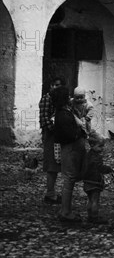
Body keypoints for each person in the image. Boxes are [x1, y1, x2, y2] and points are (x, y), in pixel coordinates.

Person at [53, 85, 87, 222]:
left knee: (69, 179)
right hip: (71, 148)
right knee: (70, 179)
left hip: (70, 148)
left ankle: (65, 210)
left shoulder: (63, 112)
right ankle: (65, 211)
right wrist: (81, 132)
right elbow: (70, 134)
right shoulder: (64, 115)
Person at [39, 75, 66, 204]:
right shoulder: (47, 99)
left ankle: (53, 192)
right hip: (51, 135)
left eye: (59, 85)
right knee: (51, 164)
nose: (57, 88)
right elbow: (44, 119)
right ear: (50, 86)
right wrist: (55, 129)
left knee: (57, 164)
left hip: (58, 136)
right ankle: (50, 193)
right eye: (55, 85)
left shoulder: (60, 99)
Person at [82, 132, 113, 224]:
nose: (102, 148)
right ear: (92, 145)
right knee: (95, 200)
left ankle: (89, 215)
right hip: (94, 181)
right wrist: (109, 169)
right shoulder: (96, 157)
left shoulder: (87, 155)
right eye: (100, 146)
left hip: (87, 180)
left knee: (90, 199)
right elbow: (100, 167)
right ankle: (95, 216)